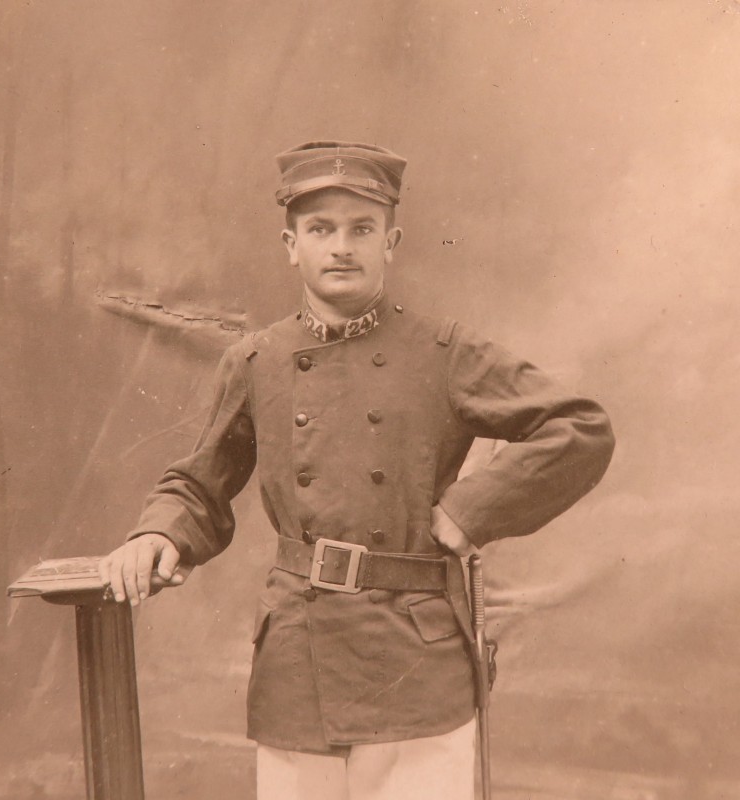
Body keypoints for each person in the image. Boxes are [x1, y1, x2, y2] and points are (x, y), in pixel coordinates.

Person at [99, 140, 615, 800]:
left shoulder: (441, 351)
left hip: (417, 662)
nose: (341, 246)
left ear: (390, 241)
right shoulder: (257, 361)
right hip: (297, 660)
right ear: (291, 244)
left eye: (360, 229)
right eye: (321, 230)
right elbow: (200, 481)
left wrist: (471, 511)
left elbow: (580, 427)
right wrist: (159, 535)